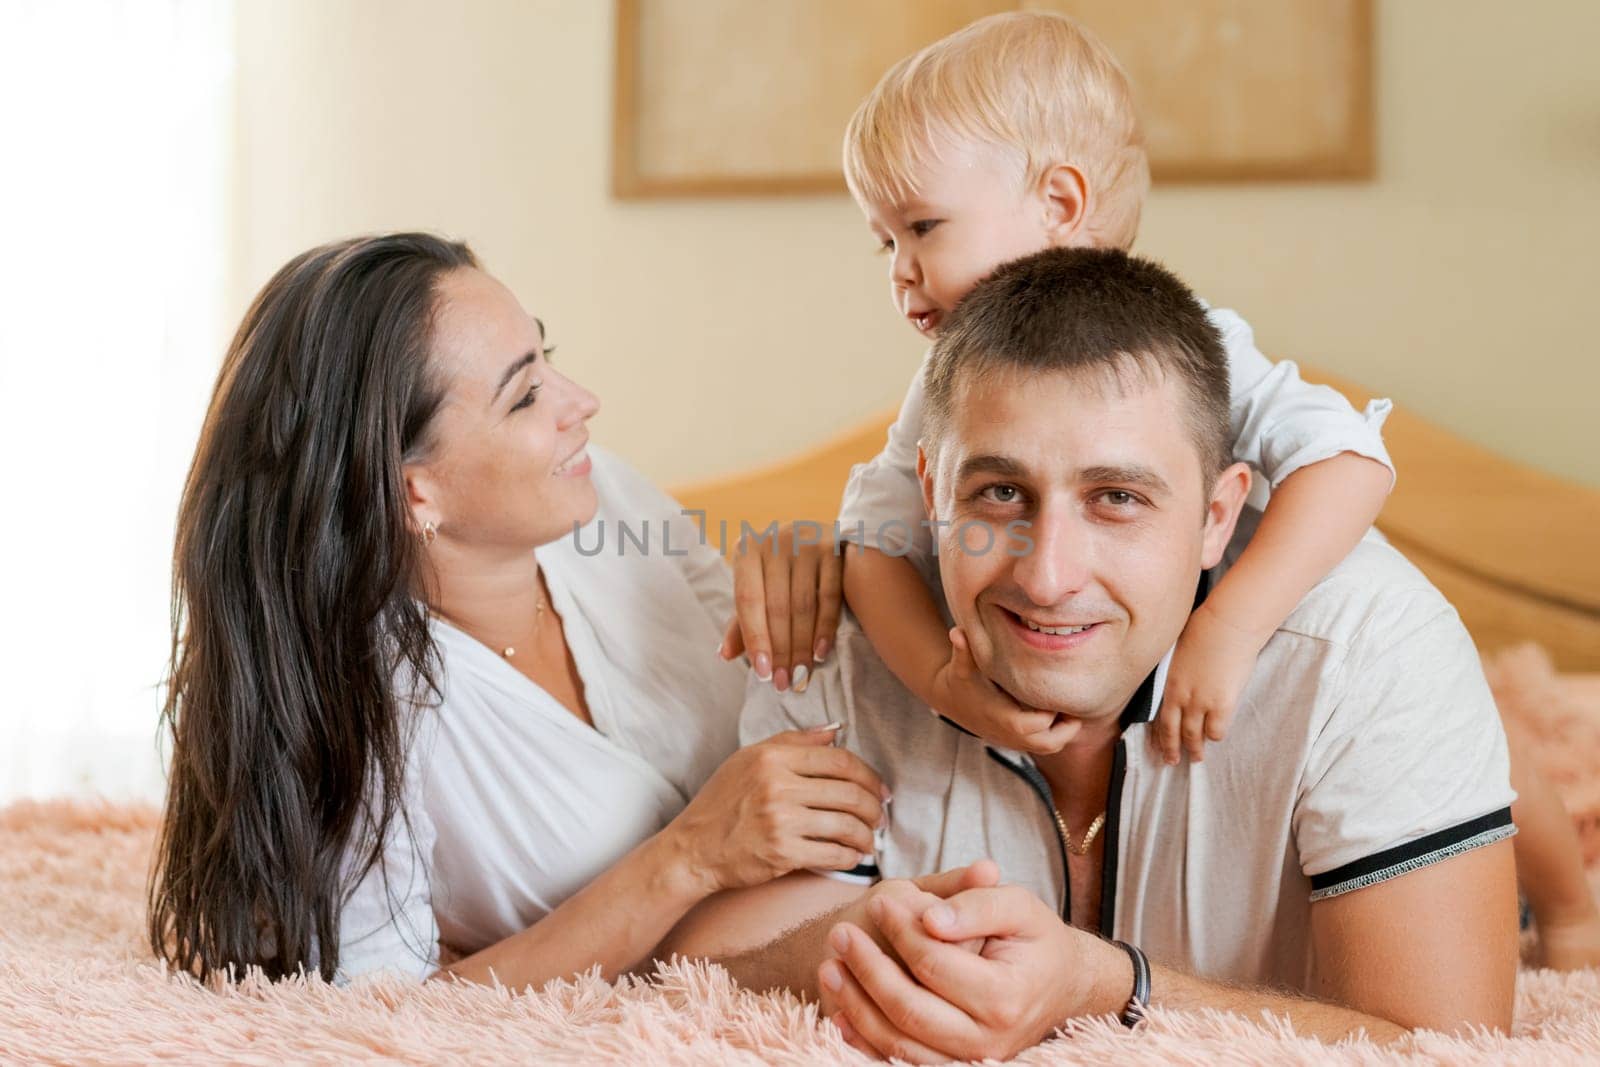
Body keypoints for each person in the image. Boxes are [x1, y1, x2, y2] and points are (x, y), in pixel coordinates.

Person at [718, 8, 1600, 969]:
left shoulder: (1200, 352)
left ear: (1061, 203)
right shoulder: (941, 395)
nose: (901, 273)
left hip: (1283, 584)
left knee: (1454, 699)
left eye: (922, 228)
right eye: (882, 243)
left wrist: (1231, 629)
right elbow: (875, 546)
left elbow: (1351, 464)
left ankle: (1570, 908)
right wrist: (942, 681)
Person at [664, 247, 1520, 1057]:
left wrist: (1111, 987)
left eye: (1116, 498)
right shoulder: (829, 643)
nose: (1046, 576)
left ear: (1218, 515)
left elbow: (1448, 1052)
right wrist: (849, 940)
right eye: (1000, 492)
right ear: (929, 492)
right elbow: (698, 986)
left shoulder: (1364, 649)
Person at [147, 233, 889, 987]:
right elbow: (377, 1019)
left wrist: (808, 564)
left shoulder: (604, 503)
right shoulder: (363, 712)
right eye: (525, 395)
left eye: (548, 357)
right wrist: (688, 855)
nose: (582, 402)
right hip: (832, 939)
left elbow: (791, 667)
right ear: (415, 492)